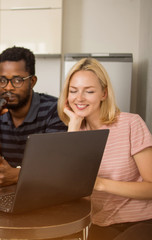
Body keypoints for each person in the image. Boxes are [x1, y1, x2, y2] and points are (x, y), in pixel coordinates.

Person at [57, 57, 152, 240]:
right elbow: (69, 190)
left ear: (104, 94)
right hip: (100, 224)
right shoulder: (75, 132)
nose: (79, 98)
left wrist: (100, 183)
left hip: (142, 221)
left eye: (89, 91)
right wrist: (74, 126)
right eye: (73, 91)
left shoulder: (131, 123)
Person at [0, 46, 67, 187]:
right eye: (2, 80)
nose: (8, 88)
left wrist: (18, 176)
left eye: (17, 80)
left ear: (33, 81)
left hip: (43, 192)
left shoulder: (54, 109)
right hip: (4, 193)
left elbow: (56, 167)